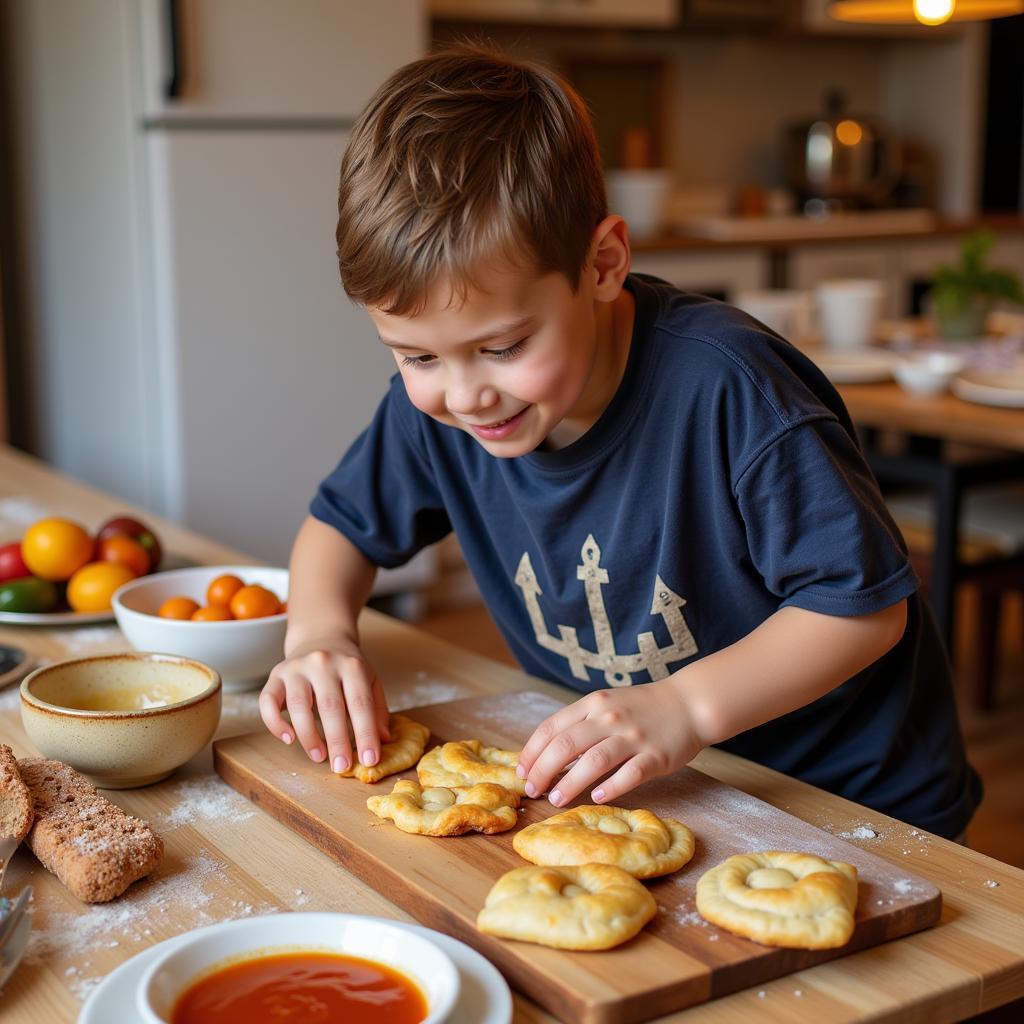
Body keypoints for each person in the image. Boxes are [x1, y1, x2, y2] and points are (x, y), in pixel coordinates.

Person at [259, 45, 980, 841]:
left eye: (502, 348)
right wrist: (320, 636)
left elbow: (862, 613)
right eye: (418, 356)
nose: (465, 395)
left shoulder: (732, 390)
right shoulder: (439, 413)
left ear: (603, 263)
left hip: (848, 803)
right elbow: (339, 529)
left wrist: (684, 706)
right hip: (675, 792)